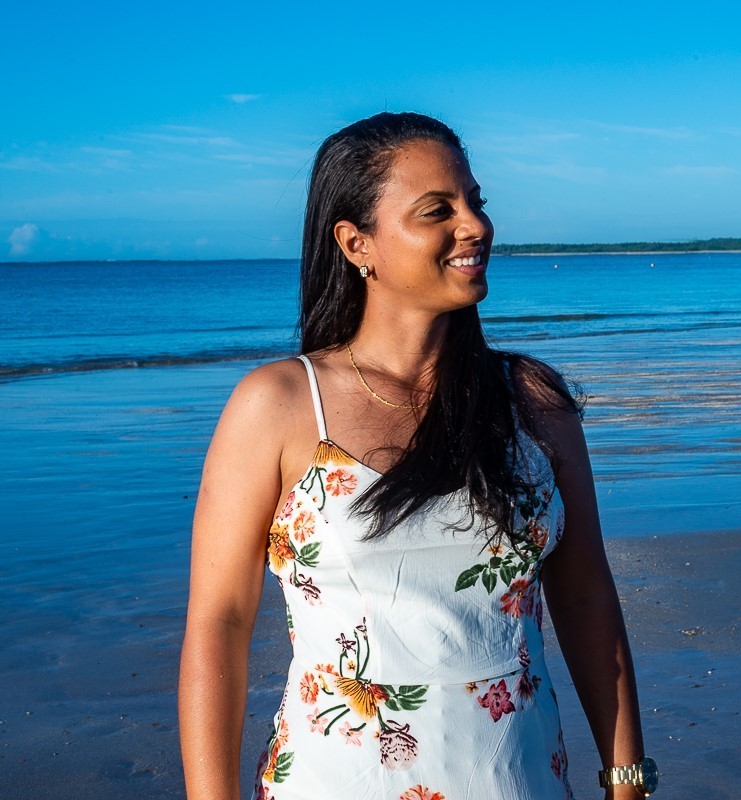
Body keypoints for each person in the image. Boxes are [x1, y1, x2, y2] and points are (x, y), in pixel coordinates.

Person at [179, 112, 655, 800]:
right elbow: (219, 622)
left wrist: (627, 778)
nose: (476, 225)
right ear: (356, 243)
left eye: (476, 203)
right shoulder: (279, 404)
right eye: (439, 210)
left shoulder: (532, 403)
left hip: (517, 779)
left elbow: (585, 595)